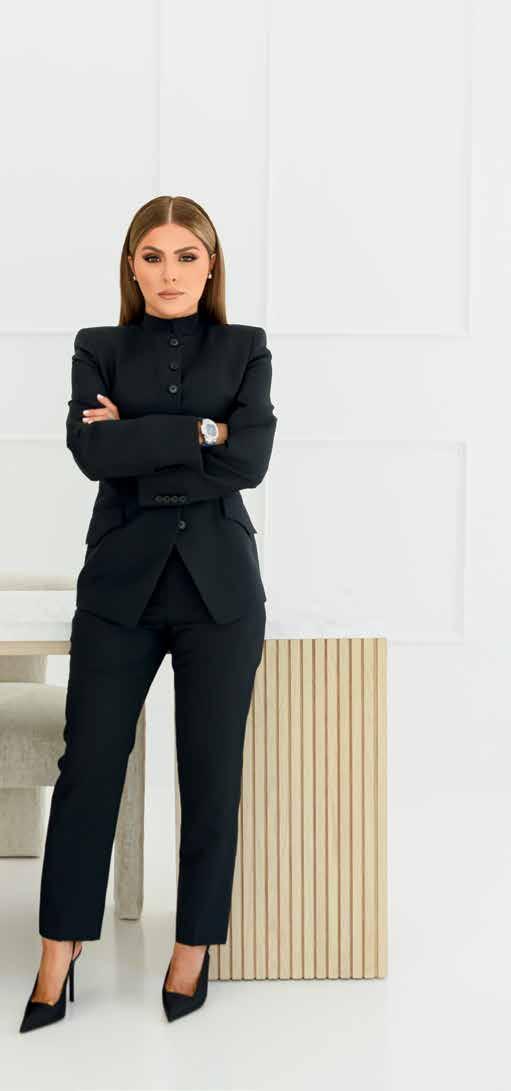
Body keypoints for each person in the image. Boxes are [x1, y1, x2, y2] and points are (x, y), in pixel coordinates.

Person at [19, 194, 277, 1032]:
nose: (171, 273)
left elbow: (250, 459)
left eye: (187, 256)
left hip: (219, 592)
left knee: (211, 773)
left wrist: (143, 431)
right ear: (131, 266)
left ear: (211, 265)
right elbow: (92, 450)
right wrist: (201, 430)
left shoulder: (245, 347)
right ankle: (59, 945)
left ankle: (192, 947)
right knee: (89, 765)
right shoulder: (97, 347)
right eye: (154, 256)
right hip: (119, 589)